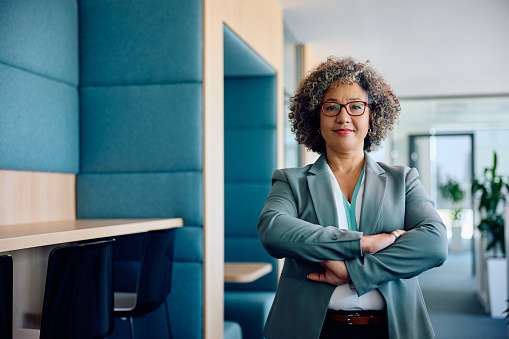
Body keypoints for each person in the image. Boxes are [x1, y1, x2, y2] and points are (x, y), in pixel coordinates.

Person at [257, 56, 448, 339]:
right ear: (315, 118)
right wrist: (362, 243)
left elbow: (434, 243)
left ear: (372, 117)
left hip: (390, 328)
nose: (343, 116)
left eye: (356, 106)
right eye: (331, 107)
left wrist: (354, 273)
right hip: (311, 329)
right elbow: (273, 232)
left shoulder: (403, 179)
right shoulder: (290, 181)